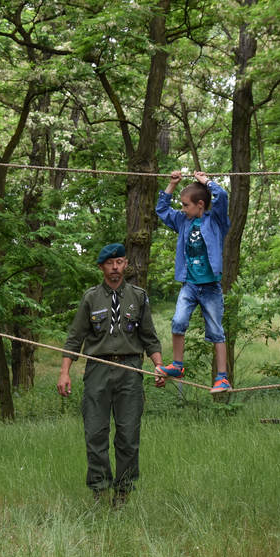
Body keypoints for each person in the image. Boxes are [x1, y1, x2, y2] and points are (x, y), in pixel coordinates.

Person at [57, 243, 165, 506]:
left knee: (128, 434)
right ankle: (100, 489)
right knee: (95, 432)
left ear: (126, 264)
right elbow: (75, 338)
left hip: (130, 370)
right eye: (109, 263)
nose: (115, 268)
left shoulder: (138, 297)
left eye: (119, 262)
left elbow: (149, 337)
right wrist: (64, 372)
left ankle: (124, 491)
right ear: (101, 267)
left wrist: (158, 366)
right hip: (98, 369)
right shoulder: (91, 298)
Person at [154, 170, 232, 393]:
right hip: (189, 285)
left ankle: (222, 378)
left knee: (216, 331)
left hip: (210, 288)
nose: (182, 208)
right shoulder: (182, 221)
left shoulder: (216, 221)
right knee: (178, 322)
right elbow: (161, 209)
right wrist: (171, 185)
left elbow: (222, 196)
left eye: (185, 205)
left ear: (200, 204)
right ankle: (177, 366)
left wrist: (206, 181)